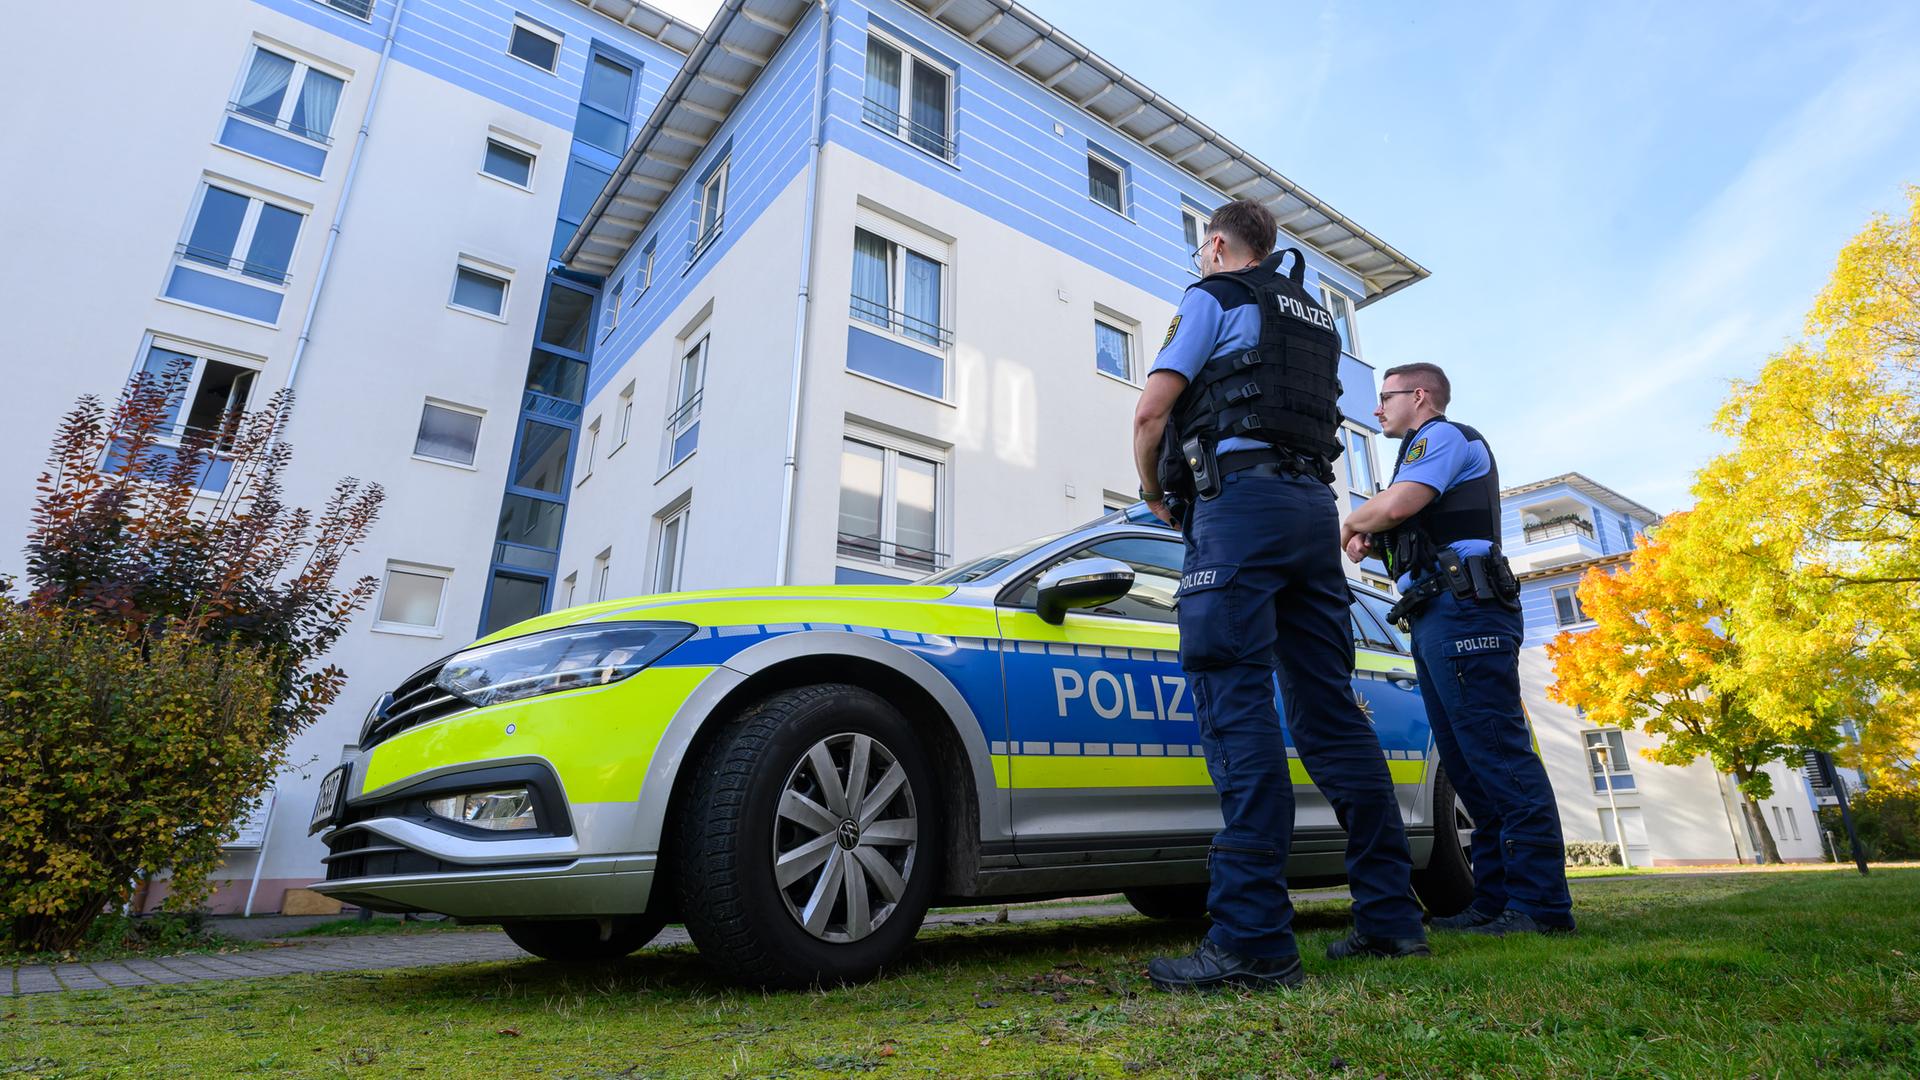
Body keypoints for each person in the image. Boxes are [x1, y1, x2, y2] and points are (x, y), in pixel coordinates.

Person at [1133, 200, 1428, 992]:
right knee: (1329, 710)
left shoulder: (1215, 296)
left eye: (1202, 248)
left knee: (1235, 700)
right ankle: (1392, 920)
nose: (1199, 259)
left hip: (1241, 512)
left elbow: (1152, 410)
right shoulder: (1314, 319)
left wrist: (1151, 490)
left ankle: (1254, 939)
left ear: (1221, 244)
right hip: (1309, 514)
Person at [1341, 363, 1576, 935]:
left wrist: (1351, 521)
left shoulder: (1442, 437)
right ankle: (1493, 902)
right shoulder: (1421, 453)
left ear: (1420, 396)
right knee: (1469, 766)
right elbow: (1408, 526)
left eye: (1386, 397)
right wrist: (1376, 540)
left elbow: (1396, 506)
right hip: (1436, 610)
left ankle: (1541, 907)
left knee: (1498, 754)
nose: (1377, 409)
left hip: (1465, 609)